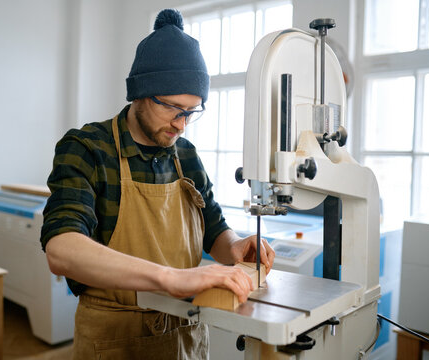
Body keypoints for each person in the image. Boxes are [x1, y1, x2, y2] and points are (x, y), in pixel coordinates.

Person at [40, 8, 275, 360]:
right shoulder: (88, 148)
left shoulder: (187, 156)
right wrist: (171, 279)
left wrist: (236, 247)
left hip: (186, 335)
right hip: (113, 340)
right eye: (172, 108)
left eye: (192, 111)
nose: (181, 124)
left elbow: (214, 231)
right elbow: (61, 249)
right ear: (140, 93)